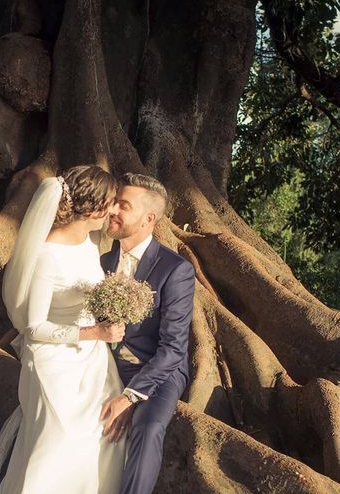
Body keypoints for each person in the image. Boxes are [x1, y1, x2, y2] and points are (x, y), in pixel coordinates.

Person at [0, 165, 128, 493]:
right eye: (111, 203)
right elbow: (33, 327)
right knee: (58, 443)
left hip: (94, 362)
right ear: (92, 209)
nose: (114, 209)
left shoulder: (87, 243)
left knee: (101, 442)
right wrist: (94, 333)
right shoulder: (47, 256)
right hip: (52, 361)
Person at [99, 173, 195, 494]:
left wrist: (129, 397)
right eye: (114, 202)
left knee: (149, 427)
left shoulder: (175, 269)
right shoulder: (101, 262)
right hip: (105, 364)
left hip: (160, 371)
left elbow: (173, 349)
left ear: (148, 219)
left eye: (123, 205)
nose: (112, 209)